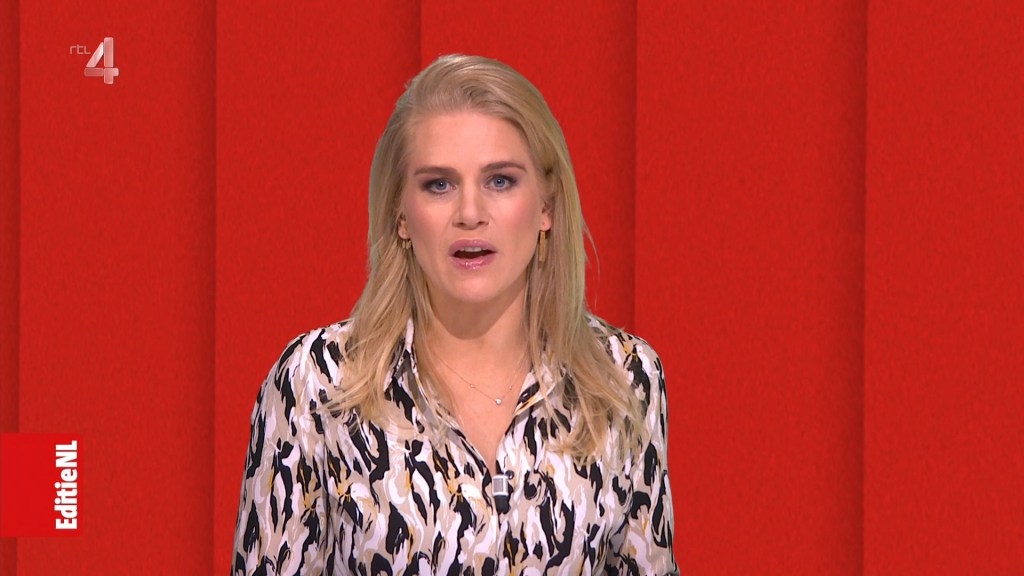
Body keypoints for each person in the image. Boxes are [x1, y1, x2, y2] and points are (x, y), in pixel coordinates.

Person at [231, 54, 677, 575]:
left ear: (546, 207)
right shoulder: (318, 384)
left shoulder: (623, 379)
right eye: (439, 185)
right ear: (400, 213)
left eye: (500, 181)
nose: (469, 213)